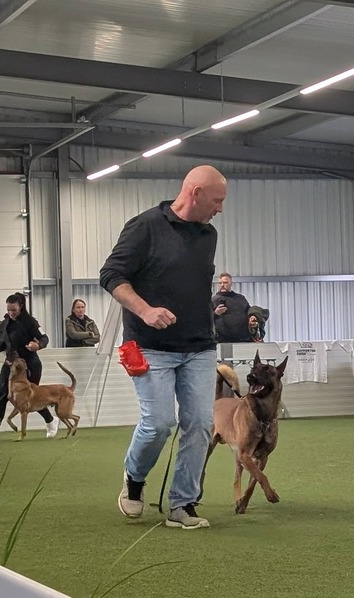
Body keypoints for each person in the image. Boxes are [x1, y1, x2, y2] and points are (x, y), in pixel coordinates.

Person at [99, 165, 227, 530]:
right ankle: (134, 479)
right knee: (159, 424)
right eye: (217, 200)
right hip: (149, 346)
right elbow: (110, 275)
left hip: (200, 347)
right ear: (195, 193)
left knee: (200, 424)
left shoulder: (208, 235)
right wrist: (145, 310)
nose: (220, 209)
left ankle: (183, 504)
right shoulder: (145, 227)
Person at [0, 292, 59, 440]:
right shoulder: (6, 322)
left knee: (30, 399)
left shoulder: (30, 322)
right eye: (8, 310)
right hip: (10, 364)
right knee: (2, 395)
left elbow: (44, 338)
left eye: (13, 310)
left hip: (29, 364)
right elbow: (5, 341)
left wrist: (37, 345)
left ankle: (50, 420)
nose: (11, 313)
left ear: (21, 307)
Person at [212, 272, 252, 342]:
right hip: (223, 341)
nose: (222, 285)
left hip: (243, 339)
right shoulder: (214, 300)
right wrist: (215, 313)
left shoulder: (240, 298)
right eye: (220, 283)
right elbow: (205, 319)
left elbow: (249, 312)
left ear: (231, 284)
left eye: (225, 282)